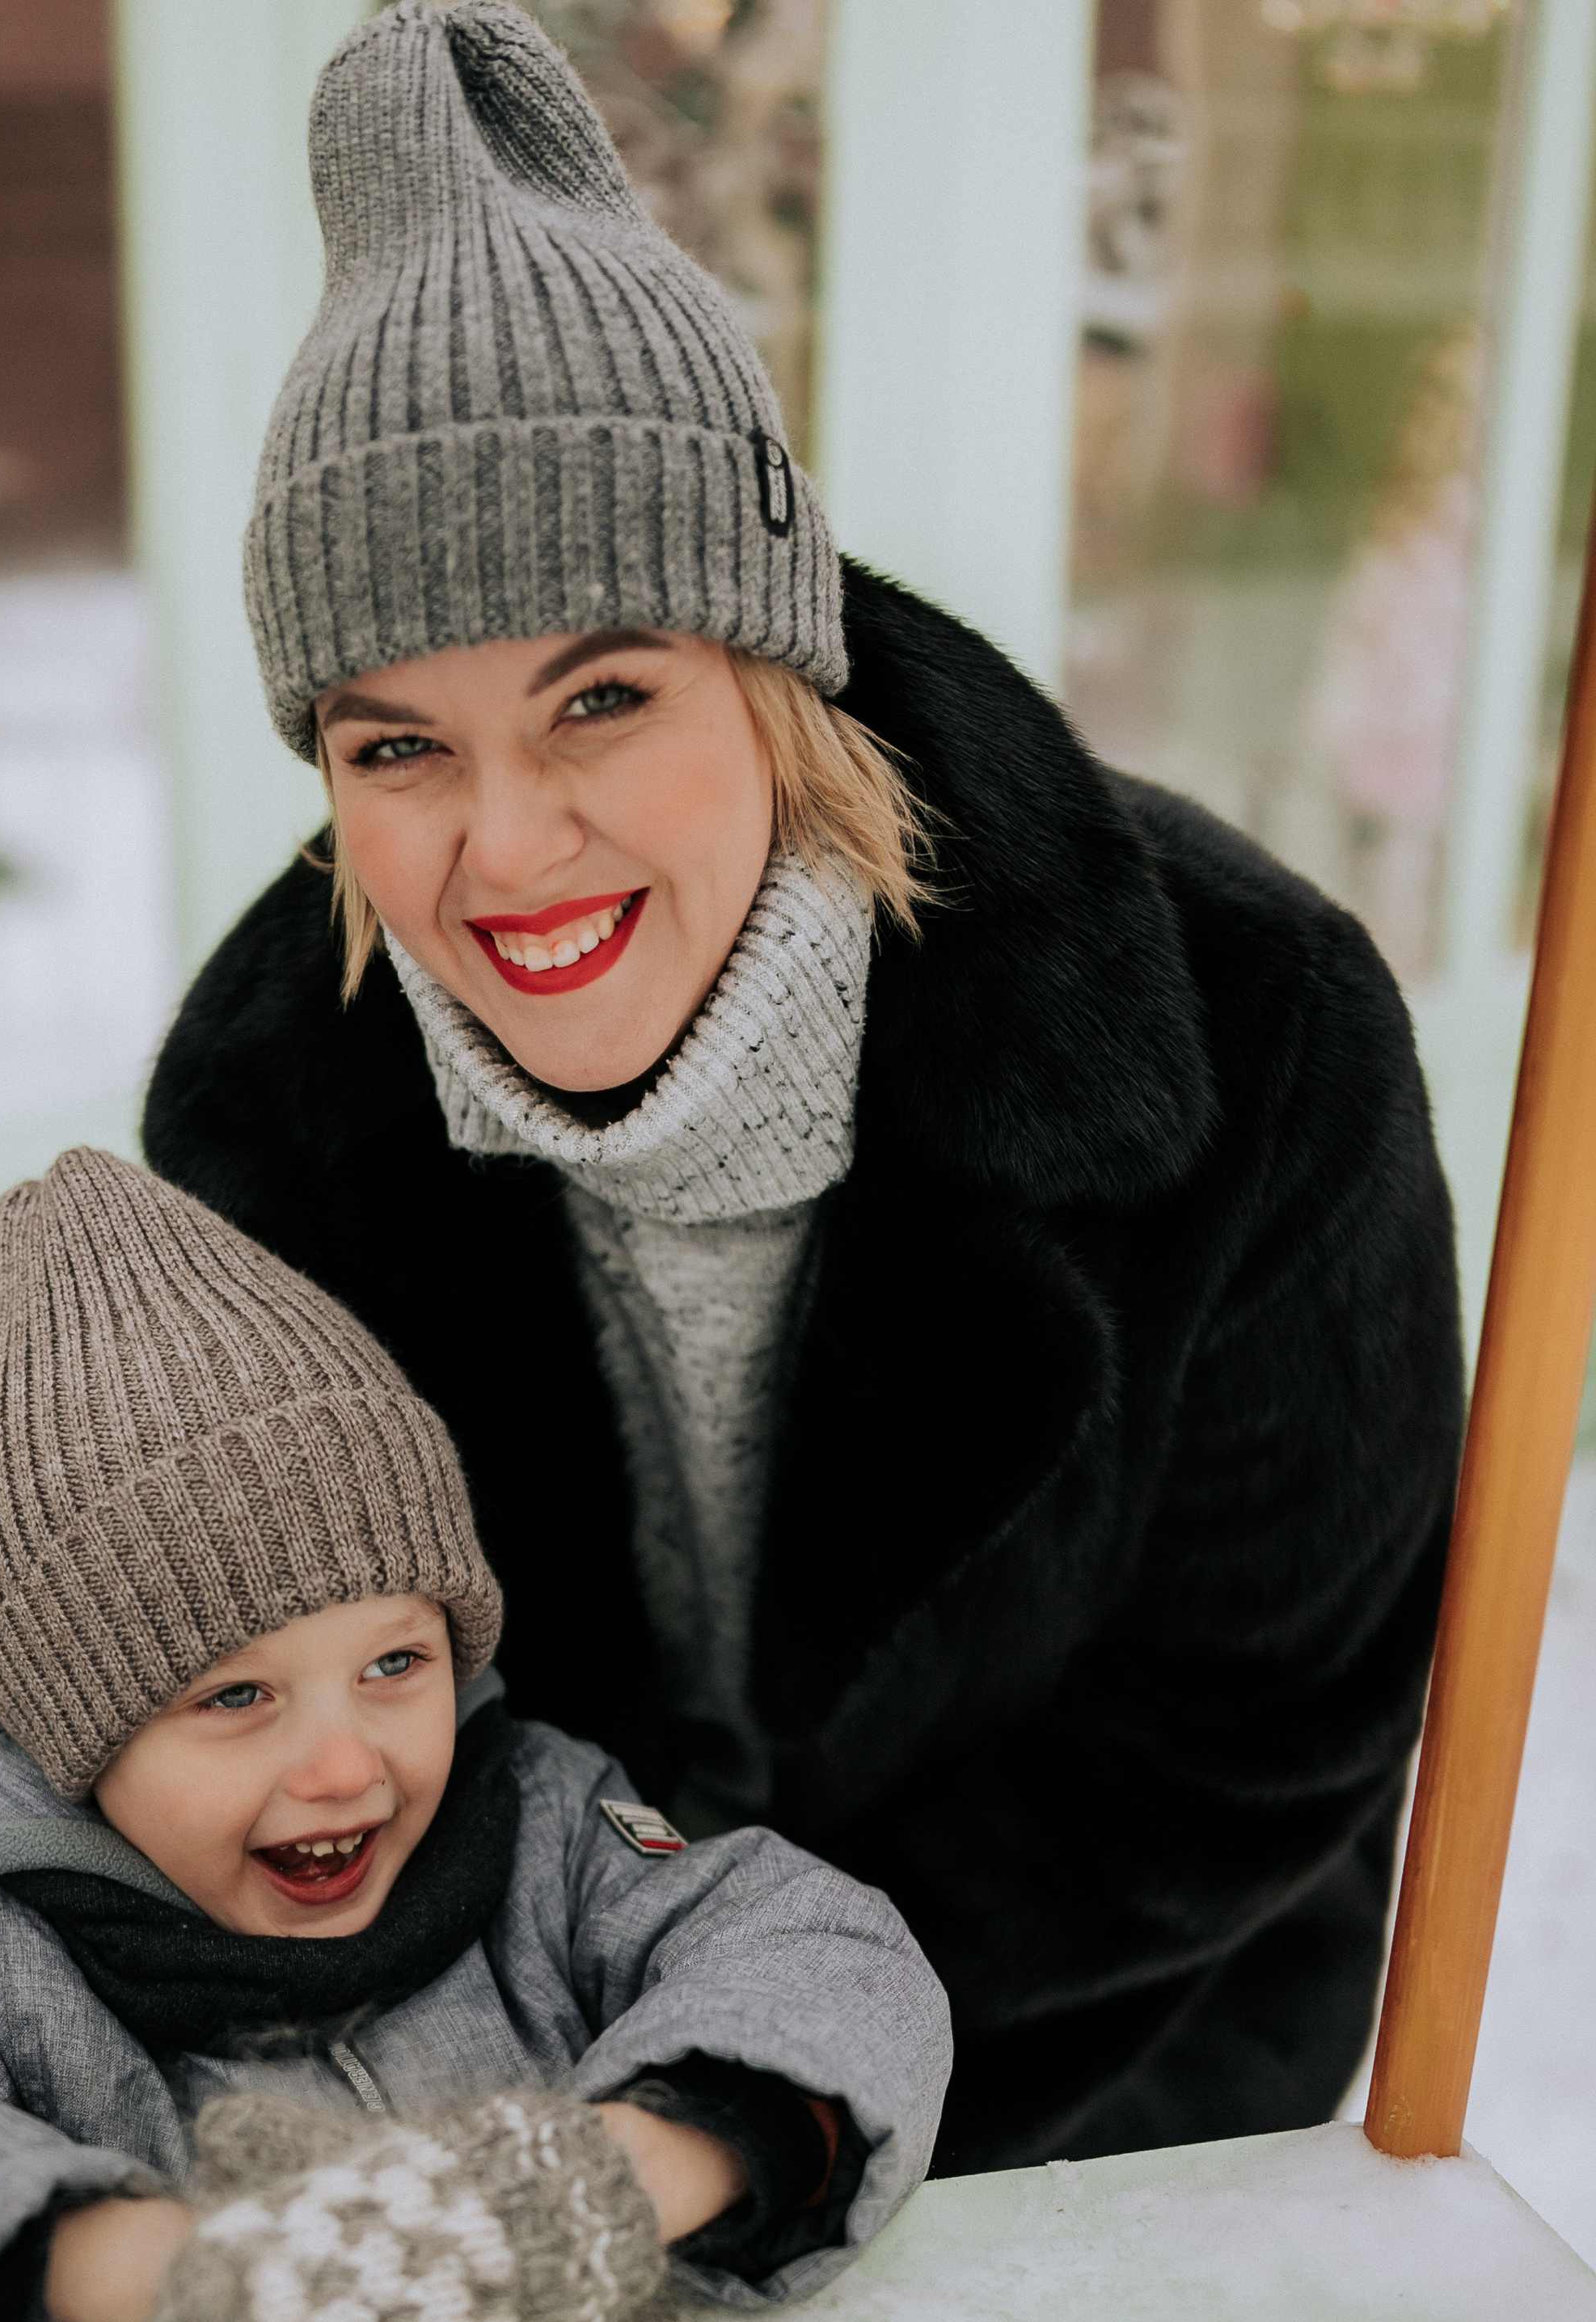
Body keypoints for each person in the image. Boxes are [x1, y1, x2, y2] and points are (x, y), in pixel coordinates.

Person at [142, 1, 1464, 2175]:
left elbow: (1256, 1729)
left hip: (1095, 2068)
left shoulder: (1255, 1035)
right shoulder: (267, 1127)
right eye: (397, 747)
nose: (508, 846)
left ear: (775, 667)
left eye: (600, 698)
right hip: (542, 2070)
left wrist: (756, 2066)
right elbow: (253, 1708)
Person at [0, 1149, 948, 2322]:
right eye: (235, 1697)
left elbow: (825, 1951)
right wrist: (179, 2274)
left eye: (396, 1665)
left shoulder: (542, 1826)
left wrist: (612, 2183)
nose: (344, 1768)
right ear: (78, 1736)